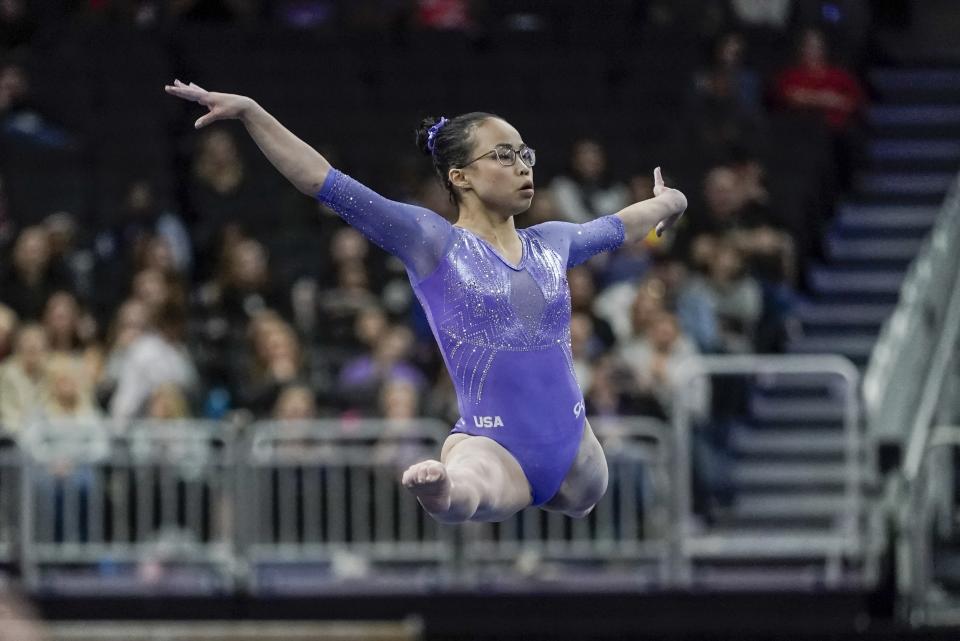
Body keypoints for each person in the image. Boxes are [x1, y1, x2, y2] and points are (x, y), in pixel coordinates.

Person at [165, 79, 687, 523]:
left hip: (575, 448)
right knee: (470, 487)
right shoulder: (432, 241)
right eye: (503, 155)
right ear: (459, 176)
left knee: (589, 493)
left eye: (524, 154)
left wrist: (671, 201)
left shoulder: (552, 241)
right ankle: (441, 490)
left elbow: (620, 225)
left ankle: (459, 487)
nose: (522, 165)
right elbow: (322, 181)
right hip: (495, 445)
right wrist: (254, 114)